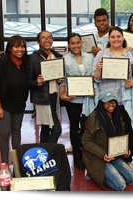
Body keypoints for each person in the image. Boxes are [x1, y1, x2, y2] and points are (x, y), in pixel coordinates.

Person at [93, 26, 133, 170]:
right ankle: (108, 160)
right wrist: (99, 71)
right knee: (107, 130)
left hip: (125, 99)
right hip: (107, 100)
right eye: (113, 37)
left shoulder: (132, 54)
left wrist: (132, 82)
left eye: (118, 36)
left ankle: (127, 160)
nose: (116, 39)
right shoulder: (101, 54)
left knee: (126, 130)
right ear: (109, 39)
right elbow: (95, 78)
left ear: (123, 37)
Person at [82, 90, 133, 191]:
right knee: (120, 186)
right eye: (107, 102)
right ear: (101, 104)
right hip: (98, 156)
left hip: (113, 155)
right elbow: (86, 141)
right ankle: (91, 171)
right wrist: (103, 154)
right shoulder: (93, 118)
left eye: (113, 102)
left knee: (132, 179)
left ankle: (107, 170)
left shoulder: (117, 116)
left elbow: (121, 137)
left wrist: (125, 149)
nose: (111, 105)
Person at [0, 35, 29, 165]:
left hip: (19, 104)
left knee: (16, 132)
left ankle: (17, 162)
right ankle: (4, 163)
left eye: (22, 46)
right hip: (4, 105)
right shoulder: (2, 62)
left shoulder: (25, 62)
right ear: (10, 48)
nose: (20, 49)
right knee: (5, 134)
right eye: (16, 46)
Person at [59, 33, 95, 170]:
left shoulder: (89, 57)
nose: (76, 45)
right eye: (72, 43)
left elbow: (94, 76)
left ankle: (89, 156)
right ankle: (77, 157)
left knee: (88, 129)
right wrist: (62, 95)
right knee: (74, 129)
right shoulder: (65, 60)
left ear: (81, 43)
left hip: (88, 99)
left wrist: (93, 89)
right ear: (69, 45)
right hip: (72, 100)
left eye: (78, 42)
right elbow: (62, 79)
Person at [26, 31, 64, 143]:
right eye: (43, 38)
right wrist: (36, 82)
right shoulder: (33, 58)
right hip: (42, 98)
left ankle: (42, 152)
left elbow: (59, 78)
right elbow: (28, 81)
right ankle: (49, 152)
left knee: (46, 127)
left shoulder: (57, 56)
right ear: (38, 42)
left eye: (49, 38)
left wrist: (59, 80)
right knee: (57, 129)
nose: (47, 40)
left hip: (54, 96)